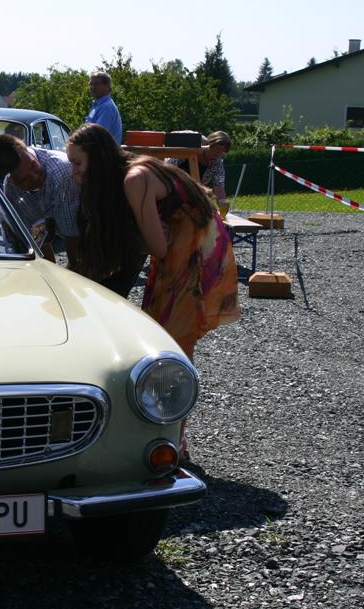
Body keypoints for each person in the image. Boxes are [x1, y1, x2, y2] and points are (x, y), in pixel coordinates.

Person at [66, 123, 240, 459]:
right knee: (165, 332)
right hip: (185, 241)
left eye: (78, 163)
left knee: (173, 339)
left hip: (193, 247)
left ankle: (175, 440)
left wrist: (149, 230)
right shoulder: (130, 171)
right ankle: (172, 435)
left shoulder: (134, 179)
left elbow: (158, 248)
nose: (74, 171)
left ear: (98, 159)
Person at [0, 133, 79, 262]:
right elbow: (39, 242)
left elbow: (73, 239)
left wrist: (73, 273)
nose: (35, 176)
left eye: (33, 165)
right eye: (25, 179)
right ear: (11, 182)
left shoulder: (60, 173)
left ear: (26, 150)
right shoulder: (10, 192)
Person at [168, 131, 232, 213]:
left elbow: (219, 188)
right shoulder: (188, 152)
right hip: (172, 192)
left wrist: (223, 207)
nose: (218, 154)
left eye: (222, 151)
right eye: (217, 149)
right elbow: (168, 171)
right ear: (208, 145)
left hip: (194, 196)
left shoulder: (217, 164)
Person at [85, 71, 123, 143]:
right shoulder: (98, 106)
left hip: (105, 153)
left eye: (97, 84)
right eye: (91, 84)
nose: (92, 87)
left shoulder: (107, 107)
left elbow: (97, 134)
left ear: (107, 86)